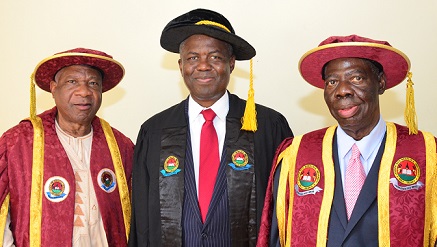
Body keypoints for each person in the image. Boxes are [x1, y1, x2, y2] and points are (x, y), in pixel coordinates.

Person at [129, 8, 293, 246]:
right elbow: (141, 220)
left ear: (232, 63)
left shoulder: (268, 126)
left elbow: (286, 211)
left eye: (215, 57)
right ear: (180, 65)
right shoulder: (154, 131)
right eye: (193, 57)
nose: (203, 66)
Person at [257, 34, 437, 247]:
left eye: (356, 78)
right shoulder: (296, 155)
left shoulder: (426, 153)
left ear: (380, 83)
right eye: (332, 81)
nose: (342, 90)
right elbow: (276, 239)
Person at [0, 48, 134, 246]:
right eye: (72, 82)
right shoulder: (18, 143)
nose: (84, 91)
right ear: (53, 88)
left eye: (93, 83)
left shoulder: (120, 146)